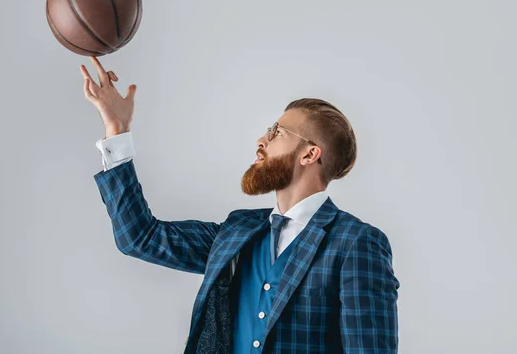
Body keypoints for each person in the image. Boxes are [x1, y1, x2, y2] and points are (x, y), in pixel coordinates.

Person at [81, 56, 400, 354]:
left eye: (276, 132)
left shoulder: (357, 243)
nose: (261, 141)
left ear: (309, 154)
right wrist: (117, 131)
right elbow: (140, 237)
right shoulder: (238, 231)